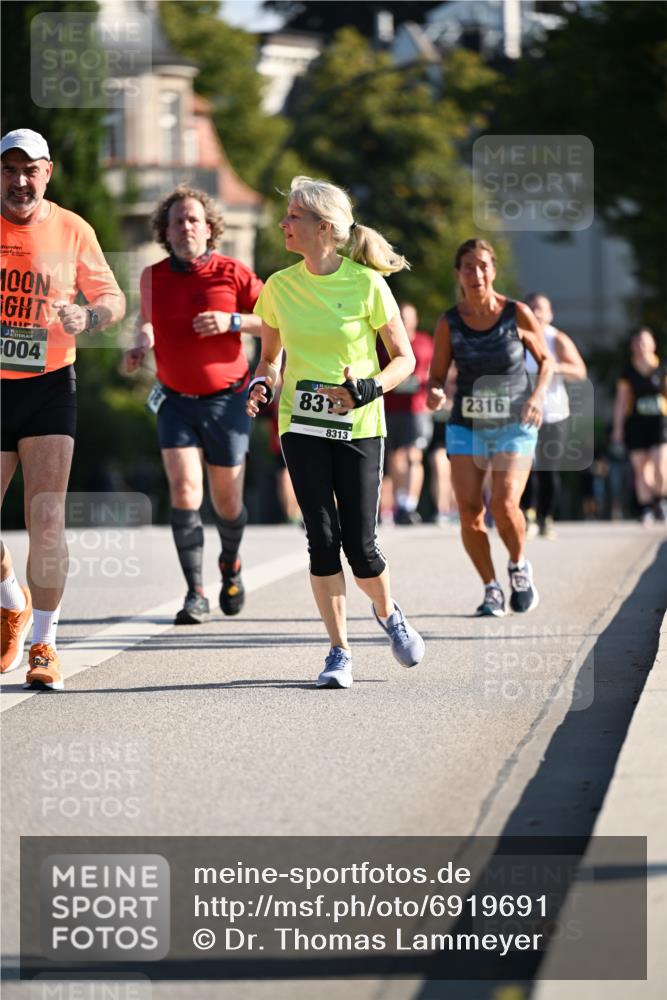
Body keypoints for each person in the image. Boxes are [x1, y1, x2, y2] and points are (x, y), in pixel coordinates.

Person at [247, 175, 425, 689]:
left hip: (359, 427)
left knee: (361, 548)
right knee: (322, 540)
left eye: (293, 216)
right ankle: (339, 650)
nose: (283, 223)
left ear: (324, 227)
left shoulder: (367, 285)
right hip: (300, 425)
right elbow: (270, 359)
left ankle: (388, 612)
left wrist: (367, 388)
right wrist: (261, 384)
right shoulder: (279, 287)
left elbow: (405, 359)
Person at [1, 128, 126, 689]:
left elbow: (112, 299)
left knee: (46, 517)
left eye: (30, 170)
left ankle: (44, 642)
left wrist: (89, 317)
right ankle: (12, 598)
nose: (19, 181)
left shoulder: (73, 228)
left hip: (49, 384)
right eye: (9, 170)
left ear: (47, 173)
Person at [123, 186, 263, 623]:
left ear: (209, 228)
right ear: (165, 232)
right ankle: (195, 592)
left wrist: (232, 320)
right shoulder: (152, 276)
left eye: (192, 220)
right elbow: (146, 320)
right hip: (175, 401)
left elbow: (275, 322)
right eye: (177, 221)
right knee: (184, 490)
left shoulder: (233, 272)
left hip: (228, 402)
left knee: (227, 502)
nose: (185, 227)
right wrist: (140, 343)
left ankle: (231, 564)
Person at [427, 238, 552, 617]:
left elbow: (546, 362)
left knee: (504, 502)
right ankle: (491, 588)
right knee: (469, 510)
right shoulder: (450, 322)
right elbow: (436, 376)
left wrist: (537, 397)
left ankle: (518, 565)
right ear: (458, 274)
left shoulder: (517, 313)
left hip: (515, 422)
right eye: (469, 266)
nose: (476, 273)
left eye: (483, 265)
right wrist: (435, 393)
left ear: (493, 270)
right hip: (467, 424)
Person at [521, 293, 587, 539]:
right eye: (532, 308)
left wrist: (552, 367)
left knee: (548, 469)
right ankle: (527, 514)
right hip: (525, 413)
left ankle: (545, 517)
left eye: (541, 308)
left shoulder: (556, 339)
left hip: (554, 413)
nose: (536, 313)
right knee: (524, 465)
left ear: (550, 314)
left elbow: (579, 371)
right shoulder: (518, 338)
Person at [380, 302, 433, 525]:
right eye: (401, 316)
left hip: (417, 409)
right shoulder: (386, 342)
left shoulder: (425, 342)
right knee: (396, 456)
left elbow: (434, 370)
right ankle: (401, 502)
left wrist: (426, 383)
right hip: (392, 408)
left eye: (409, 316)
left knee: (414, 455)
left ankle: (411, 504)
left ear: (416, 320)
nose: (405, 320)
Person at [612, 327, 667, 525]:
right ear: (633, 346)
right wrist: (618, 429)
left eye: (645, 342)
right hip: (635, 424)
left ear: (653, 345)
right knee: (642, 470)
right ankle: (646, 508)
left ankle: (660, 501)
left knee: (660, 466)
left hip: (659, 423)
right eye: (638, 342)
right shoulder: (628, 371)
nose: (641, 346)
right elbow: (621, 401)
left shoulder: (662, 368)